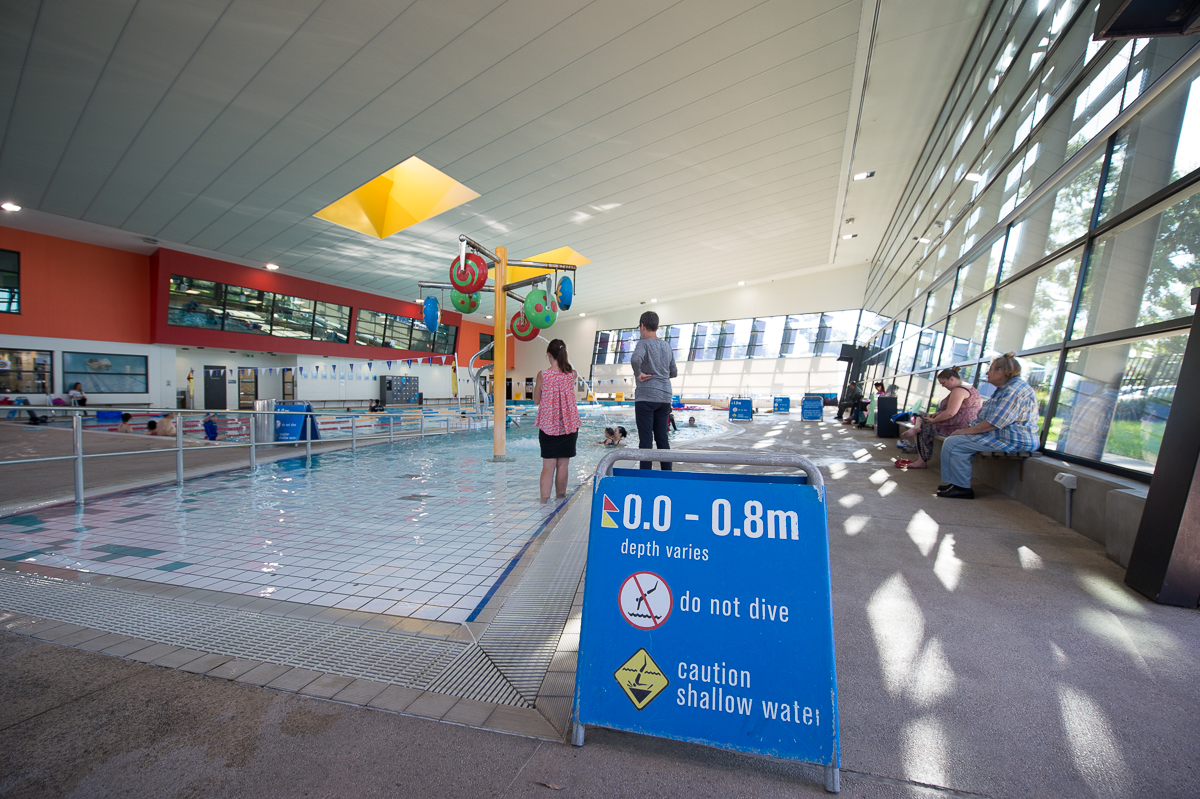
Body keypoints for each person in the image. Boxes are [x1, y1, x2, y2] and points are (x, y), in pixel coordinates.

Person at [938, 353, 1040, 499]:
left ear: (1002, 372)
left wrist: (965, 431)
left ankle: (962, 488)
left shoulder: (1013, 391)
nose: (987, 373)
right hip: (1002, 436)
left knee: (955, 443)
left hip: (1014, 440)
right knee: (953, 441)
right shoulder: (1007, 388)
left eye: (990, 369)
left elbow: (994, 423)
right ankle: (956, 483)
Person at [896, 366, 982, 469]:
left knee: (925, 426)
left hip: (957, 425)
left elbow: (951, 413)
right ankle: (916, 427)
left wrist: (934, 420)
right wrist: (937, 414)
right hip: (963, 423)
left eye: (943, 383)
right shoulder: (969, 388)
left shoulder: (959, 390)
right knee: (922, 415)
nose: (943, 386)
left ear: (951, 379)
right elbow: (958, 410)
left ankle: (921, 460)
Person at [534, 339, 582, 502]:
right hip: (569, 426)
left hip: (548, 426)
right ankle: (560, 498)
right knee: (563, 465)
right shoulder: (572, 374)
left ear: (549, 354)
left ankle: (544, 501)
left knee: (548, 466)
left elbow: (536, 400)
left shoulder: (543, 375)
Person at [630, 311, 677, 470]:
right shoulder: (666, 346)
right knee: (662, 438)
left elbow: (636, 359)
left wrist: (639, 374)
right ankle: (667, 475)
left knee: (646, 441)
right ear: (657, 327)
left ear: (642, 326)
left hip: (646, 397)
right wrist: (661, 374)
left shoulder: (643, 343)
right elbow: (674, 372)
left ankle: (646, 478)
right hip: (664, 397)